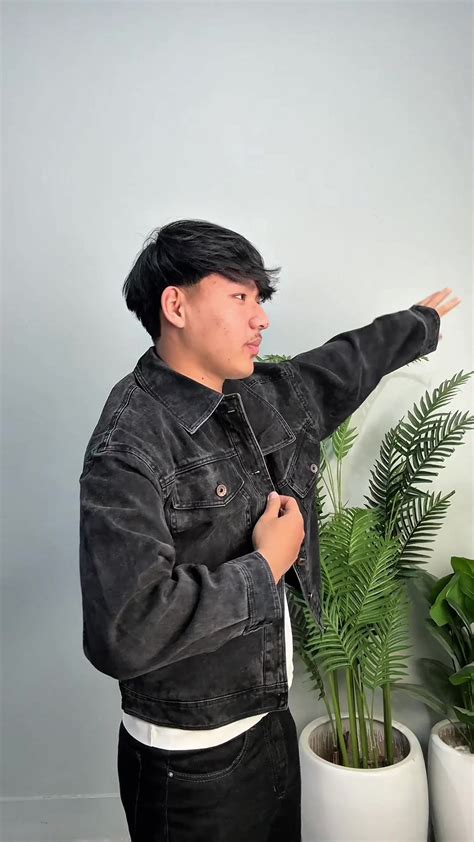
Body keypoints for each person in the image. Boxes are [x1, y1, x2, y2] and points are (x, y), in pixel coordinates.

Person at [79, 219, 459, 841]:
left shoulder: (253, 396)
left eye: (259, 299)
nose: (261, 319)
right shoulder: (128, 445)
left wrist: (417, 324)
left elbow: (337, 369)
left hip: (267, 722)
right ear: (176, 305)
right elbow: (126, 629)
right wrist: (266, 566)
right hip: (190, 762)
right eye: (240, 297)